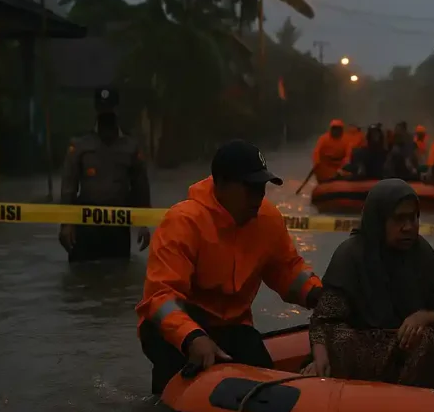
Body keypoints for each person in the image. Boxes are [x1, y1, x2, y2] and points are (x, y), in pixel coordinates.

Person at [135, 140, 323, 394]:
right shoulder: (183, 222)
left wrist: (320, 295)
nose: (259, 196)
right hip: (176, 329)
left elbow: (287, 270)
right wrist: (192, 337)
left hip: (233, 326)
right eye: (250, 188)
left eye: (262, 187)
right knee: (175, 388)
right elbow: (160, 298)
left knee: (268, 390)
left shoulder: (267, 219)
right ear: (221, 184)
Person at [304, 179, 434, 389]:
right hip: (360, 345)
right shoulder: (350, 255)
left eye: (413, 218)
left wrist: (424, 316)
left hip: (403, 345)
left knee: (424, 338)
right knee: (340, 340)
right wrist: (320, 354)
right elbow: (325, 318)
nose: (408, 227)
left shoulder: (421, 254)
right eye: (399, 219)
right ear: (379, 220)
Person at [59, 87, 151, 262]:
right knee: (82, 274)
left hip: (118, 228)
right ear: (96, 111)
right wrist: (66, 224)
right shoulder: (80, 145)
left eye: (110, 109)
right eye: (102, 110)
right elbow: (68, 187)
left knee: (119, 273)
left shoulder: (131, 147)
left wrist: (144, 224)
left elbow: (140, 187)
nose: (106, 114)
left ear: (117, 110)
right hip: (85, 227)